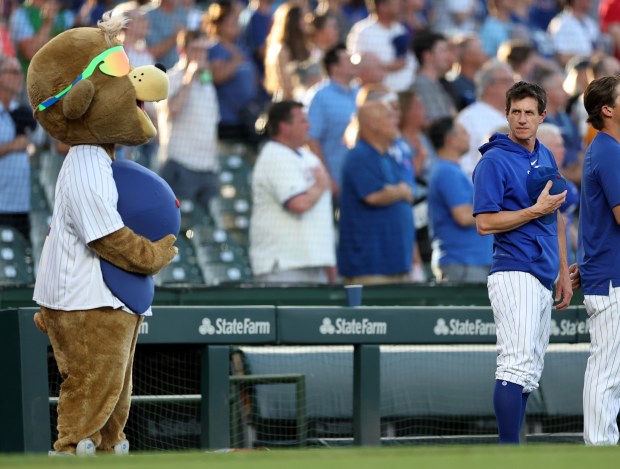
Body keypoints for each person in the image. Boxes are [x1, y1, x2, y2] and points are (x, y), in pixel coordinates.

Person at [472, 80, 572, 444]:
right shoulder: (493, 161)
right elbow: (484, 223)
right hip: (513, 269)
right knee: (515, 364)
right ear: (507, 114)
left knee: (529, 372)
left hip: (543, 272)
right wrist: (533, 210)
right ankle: (507, 451)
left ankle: (514, 449)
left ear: (542, 116)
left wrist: (563, 270)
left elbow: (556, 214)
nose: (522, 119)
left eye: (530, 112)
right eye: (516, 112)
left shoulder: (543, 153)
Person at [577, 74, 620, 445]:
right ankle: (599, 449)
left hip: (608, 273)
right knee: (607, 370)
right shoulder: (607, 148)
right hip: (611, 278)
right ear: (607, 109)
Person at [249, 101, 336, 283]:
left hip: (315, 264)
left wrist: (329, 265)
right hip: (283, 266)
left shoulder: (309, 157)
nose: (309, 125)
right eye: (303, 121)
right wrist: (319, 185)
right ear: (284, 126)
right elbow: (298, 203)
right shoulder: (274, 155)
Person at [338, 100, 414, 285]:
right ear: (372, 123)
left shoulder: (387, 156)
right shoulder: (360, 155)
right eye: (388, 117)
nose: (395, 121)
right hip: (370, 266)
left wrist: (395, 191)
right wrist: (399, 191)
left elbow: (409, 193)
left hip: (396, 263)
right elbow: (373, 195)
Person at [156, 30, 220, 213]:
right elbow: (172, 111)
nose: (201, 55)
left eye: (204, 50)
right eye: (195, 50)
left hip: (207, 167)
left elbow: (212, 124)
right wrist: (189, 80)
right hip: (180, 163)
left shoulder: (207, 82)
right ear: (182, 50)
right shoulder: (170, 79)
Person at [427, 116, 492, 283]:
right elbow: (463, 216)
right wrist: (499, 212)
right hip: (463, 262)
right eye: (463, 133)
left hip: (469, 262)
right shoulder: (447, 172)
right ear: (450, 139)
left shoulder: (452, 170)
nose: (468, 137)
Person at [204, 0, 261, 143]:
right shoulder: (213, 49)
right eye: (231, 21)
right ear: (220, 24)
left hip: (248, 118)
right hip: (226, 119)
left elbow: (253, 75)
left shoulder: (241, 46)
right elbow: (213, 77)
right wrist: (234, 62)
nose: (236, 25)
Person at [305, 44, 358, 195]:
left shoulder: (360, 93)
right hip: (336, 179)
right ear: (335, 68)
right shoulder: (320, 96)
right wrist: (326, 178)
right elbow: (312, 140)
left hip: (361, 178)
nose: (353, 62)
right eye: (347, 60)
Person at [457, 59, 515, 177]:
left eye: (513, 80)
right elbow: (464, 164)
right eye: (506, 81)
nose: (513, 86)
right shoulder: (469, 118)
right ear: (489, 86)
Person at [346, 0, 416, 92]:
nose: (400, 4)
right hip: (377, 94)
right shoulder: (363, 30)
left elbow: (411, 62)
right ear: (382, 7)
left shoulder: (400, 29)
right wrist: (379, 65)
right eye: (395, 2)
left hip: (405, 92)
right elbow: (353, 60)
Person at [0, 55, 32, 241]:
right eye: (14, 72)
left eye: (21, 73)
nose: (20, 77)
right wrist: (13, 146)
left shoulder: (21, 111)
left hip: (21, 204)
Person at [411, 30, 457, 122]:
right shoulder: (421, 86)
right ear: (427, 56)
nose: (448, 56)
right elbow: (436, 123)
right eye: (443, 51)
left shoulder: (438, 83)